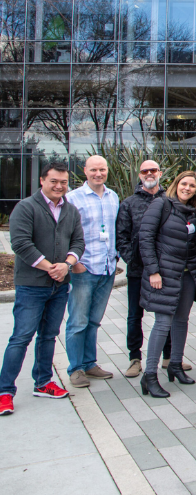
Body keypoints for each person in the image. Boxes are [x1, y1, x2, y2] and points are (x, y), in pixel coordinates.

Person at [0, 162, 84, 416]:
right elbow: (21, 244)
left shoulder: (70, 210)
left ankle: (43, 382)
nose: (59, 186)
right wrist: (51, 267)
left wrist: (67, 265)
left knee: (48, 336)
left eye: (63, 182)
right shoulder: (25, 208)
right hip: (32, 286)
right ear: (42, 181)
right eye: (54, 181)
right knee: (21, 337)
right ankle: (5, 391)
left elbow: (78, 242)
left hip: (59, 287)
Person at [138, 172, 196, 399]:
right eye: (184, 184)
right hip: (165, 275)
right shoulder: (161, 205)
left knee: (181, 320)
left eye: (192, 186)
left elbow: (195, 245)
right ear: (176, 185)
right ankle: (149, 375)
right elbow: (145, 237)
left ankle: (175, 365)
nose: (187, 188)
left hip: (187, 275)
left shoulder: (193, 214)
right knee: (162, 322)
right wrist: (153, 271)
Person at [116, 160, 184, 378]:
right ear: (139, 174)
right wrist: (134, 261)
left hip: (165, 271)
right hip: (138, 271)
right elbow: (122, 237)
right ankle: (134, 358)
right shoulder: (129, 203)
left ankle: (167, 356)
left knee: (166, 313)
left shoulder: (170, 201)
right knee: (135, 315)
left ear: (160, 173)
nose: (149, 174)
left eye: (153, 170)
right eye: (144, 171)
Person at [64, 155, 120, 388]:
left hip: (107, 268)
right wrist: (74, 263)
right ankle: (75, 368)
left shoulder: (113, 196)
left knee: (94, 321)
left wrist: (115, 258)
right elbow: (63, 233)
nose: (99, 173)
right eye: (94, 169)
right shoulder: (72, 199)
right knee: (78, 320)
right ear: (85, 171)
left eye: (103, 169)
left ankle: (89, 363)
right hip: (83, 268)